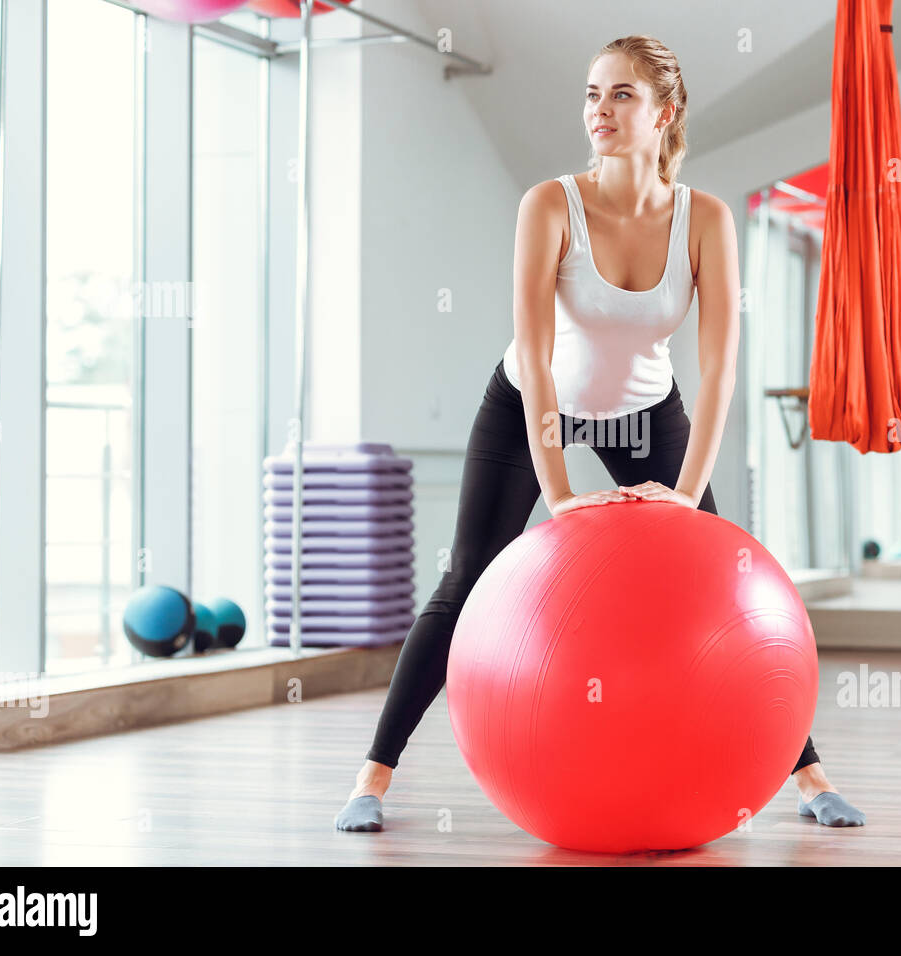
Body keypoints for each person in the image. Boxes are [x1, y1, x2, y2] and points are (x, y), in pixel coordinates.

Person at [335, 36, 864, 833]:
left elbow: (720, 371)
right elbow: (540, 356)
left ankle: (810, 778)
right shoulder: (549, 204)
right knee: (463, 582)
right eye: (592, 94)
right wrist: (561, 494)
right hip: (528, 401)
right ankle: (370, 781)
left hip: (647, 411)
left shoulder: (705, 220)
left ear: (665, 113)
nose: (600, 111)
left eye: (621, 95)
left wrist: (685, 496)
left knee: (724, 580)